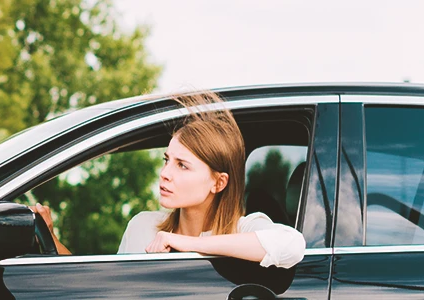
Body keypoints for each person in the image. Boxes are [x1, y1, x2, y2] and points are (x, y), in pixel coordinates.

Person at [35, 91, 305, 268]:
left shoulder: (245, 229)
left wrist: (189, 245)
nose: (165, 173)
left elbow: (292, 246)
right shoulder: (143, 226)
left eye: (182, 166)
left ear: (218, 183)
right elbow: (101, 290)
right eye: (167, 160)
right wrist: (50, 238)